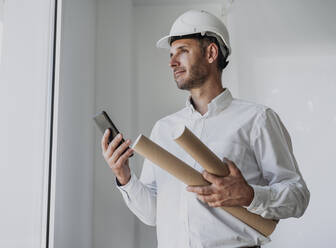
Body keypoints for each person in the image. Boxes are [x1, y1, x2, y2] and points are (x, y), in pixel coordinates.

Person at [101, 10, 310, 248]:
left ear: (211, 52)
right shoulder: (164, 129)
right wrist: (124, 177)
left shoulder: (257, 119)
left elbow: (298, 197)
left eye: (182, 51)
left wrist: (250, 195)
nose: (172, 62)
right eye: (171, 54)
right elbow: (152, 214)